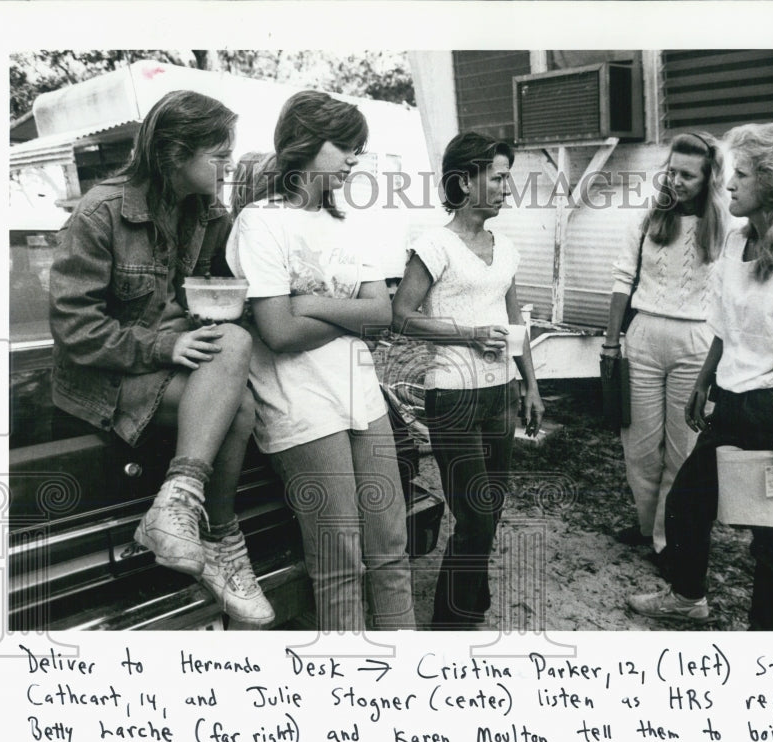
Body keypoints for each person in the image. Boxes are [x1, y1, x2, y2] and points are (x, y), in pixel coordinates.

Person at [49, 90, 275, 628]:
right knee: (239, 402)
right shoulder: (100, 211)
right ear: (176, 154)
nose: (227, 166)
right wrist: (162, 343)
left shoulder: (206, 212)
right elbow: (74, 327)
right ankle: (217, 537)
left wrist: (201, 312)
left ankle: (183, 516)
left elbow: (202, 293)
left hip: (162, 362)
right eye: (218, 156)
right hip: (98, 378)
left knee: (235, 350)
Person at [628, 123, 773, 630]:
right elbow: (726, 324)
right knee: (687, 503)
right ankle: (688, 598)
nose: (728, 185)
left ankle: (764, 637)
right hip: (730, 399)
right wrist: (705, 380)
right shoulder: (735, 241)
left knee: (772, 538)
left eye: (742, 175)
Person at [226, 90, 415, 632]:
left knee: (391, 552)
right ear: (305, 143)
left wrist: (309, 302)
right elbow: (278, 333)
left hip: (364, 401)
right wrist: (346, 311)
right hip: (300, 405)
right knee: (339, 562)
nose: (356, 159)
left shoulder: (352, 225)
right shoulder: (260, 223)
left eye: (360, 148)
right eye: (346, 146)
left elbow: (382, 317)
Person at [392, 131, 545, 630]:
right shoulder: (434, 245)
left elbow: (514, 317)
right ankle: (449, 623)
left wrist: (531, 385)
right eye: (498, 177)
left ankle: (470, 603)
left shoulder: (506, 248)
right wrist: (468, 335)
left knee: (491, 509)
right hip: (453, 396)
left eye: (507, 177)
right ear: (465, 181)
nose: (506, 187)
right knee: (476, 516)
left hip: (500, 394)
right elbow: (402, 315)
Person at [601, 132, 730, 575]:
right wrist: (611, 342)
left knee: (684, 449)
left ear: (710, 179)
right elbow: (622, 281)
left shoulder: (728, 226)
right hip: (644, 338)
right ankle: (645, 526)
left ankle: (668, 540)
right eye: (671, 170)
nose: (675, 180)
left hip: (697, 344)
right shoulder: (649, 219)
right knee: (638, 444)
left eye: (687, 175)